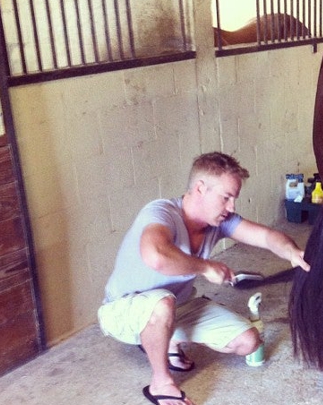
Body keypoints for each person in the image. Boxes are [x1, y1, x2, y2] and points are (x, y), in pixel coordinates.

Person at [98, 152, 310, 405]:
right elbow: (155, 256)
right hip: (123, 309)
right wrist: (206, 267)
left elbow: (266, 236)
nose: (231, 207)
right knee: (161, 304)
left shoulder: (218, 222)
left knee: (248, 342)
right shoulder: (162, 213)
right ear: (200, 188)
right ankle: (161, 383)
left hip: (177, 304)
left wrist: (292, 252)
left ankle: (168, 338)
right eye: (226, 197)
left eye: (234, 198)